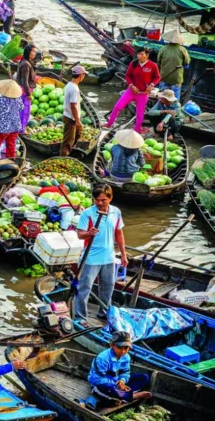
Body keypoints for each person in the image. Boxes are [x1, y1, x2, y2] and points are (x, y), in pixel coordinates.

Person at [75, 184, 127, 322]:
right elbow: (80, 235)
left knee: (108, 287)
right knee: (84, 289)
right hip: (90, 258)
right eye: (97, 200)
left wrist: (123, 254)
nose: (99, 203)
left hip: (109, 257)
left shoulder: (116, 212)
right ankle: (80, 317)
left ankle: (104, 312)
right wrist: (89, 233)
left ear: (110, 198)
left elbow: (119, 233)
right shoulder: (87, 213)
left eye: (103, 200)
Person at [88, 331, 152, 408]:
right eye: (119, 347)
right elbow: (97, 380)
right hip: (102, 386)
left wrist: (122, 381)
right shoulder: (103, 358)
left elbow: (126, 373)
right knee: (108, 388)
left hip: (118, 385)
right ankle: (132, 396)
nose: (123, 351)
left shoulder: (126, 357)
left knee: (144, 378)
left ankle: (121, 396)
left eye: (126, 348)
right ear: (112, 345)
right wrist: (117, 386)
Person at [105, 48, 160, 134]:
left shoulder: (152, 65)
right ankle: (109, 124)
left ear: (147, 55)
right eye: (138, 54)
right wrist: (131, 85)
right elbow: (127, 76)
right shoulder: (133, 64)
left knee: (139, 113)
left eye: (142, 54)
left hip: (143, 93)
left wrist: (152, 85)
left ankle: (137, 130)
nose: (139, 56)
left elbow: (157, 77)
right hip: (131, 91)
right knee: (117, 107)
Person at [0, 79, 24, 160]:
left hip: (2, 128)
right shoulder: (18, 99)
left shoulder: (1, 100)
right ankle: (12, 161)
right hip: (14, 127)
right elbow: (21, 107)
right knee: (11, 146)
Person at [62, 65, 88, 156]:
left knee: (78, 133)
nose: (84, 77)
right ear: (81, 75)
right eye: (84, 75)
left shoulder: (69, 84)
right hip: (71, 117)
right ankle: (63, 158)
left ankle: (71, 152)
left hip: (68, 115)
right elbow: (73, 105)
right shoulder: (74, 88)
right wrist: (77, 120)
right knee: (68, 141)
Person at [156, 30, 190, 100]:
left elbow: (158, 61)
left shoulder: (163, 49)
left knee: (162, 96)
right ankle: (175, 109)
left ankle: (161, 108)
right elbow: (186, 62)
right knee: (175, 98)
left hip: (164, 76)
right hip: (176, 78)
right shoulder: (182, 50)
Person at [15, 44, 38, 131]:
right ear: (29, 52)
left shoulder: (26, 62)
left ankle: (20, 128)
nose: (35, 53)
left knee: (23, 110)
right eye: (33, 51)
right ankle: (21, 130)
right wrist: (28, 94)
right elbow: (24, 80)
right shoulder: (26, 64)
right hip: (24, 91)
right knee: (24, 111)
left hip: (23, 90)